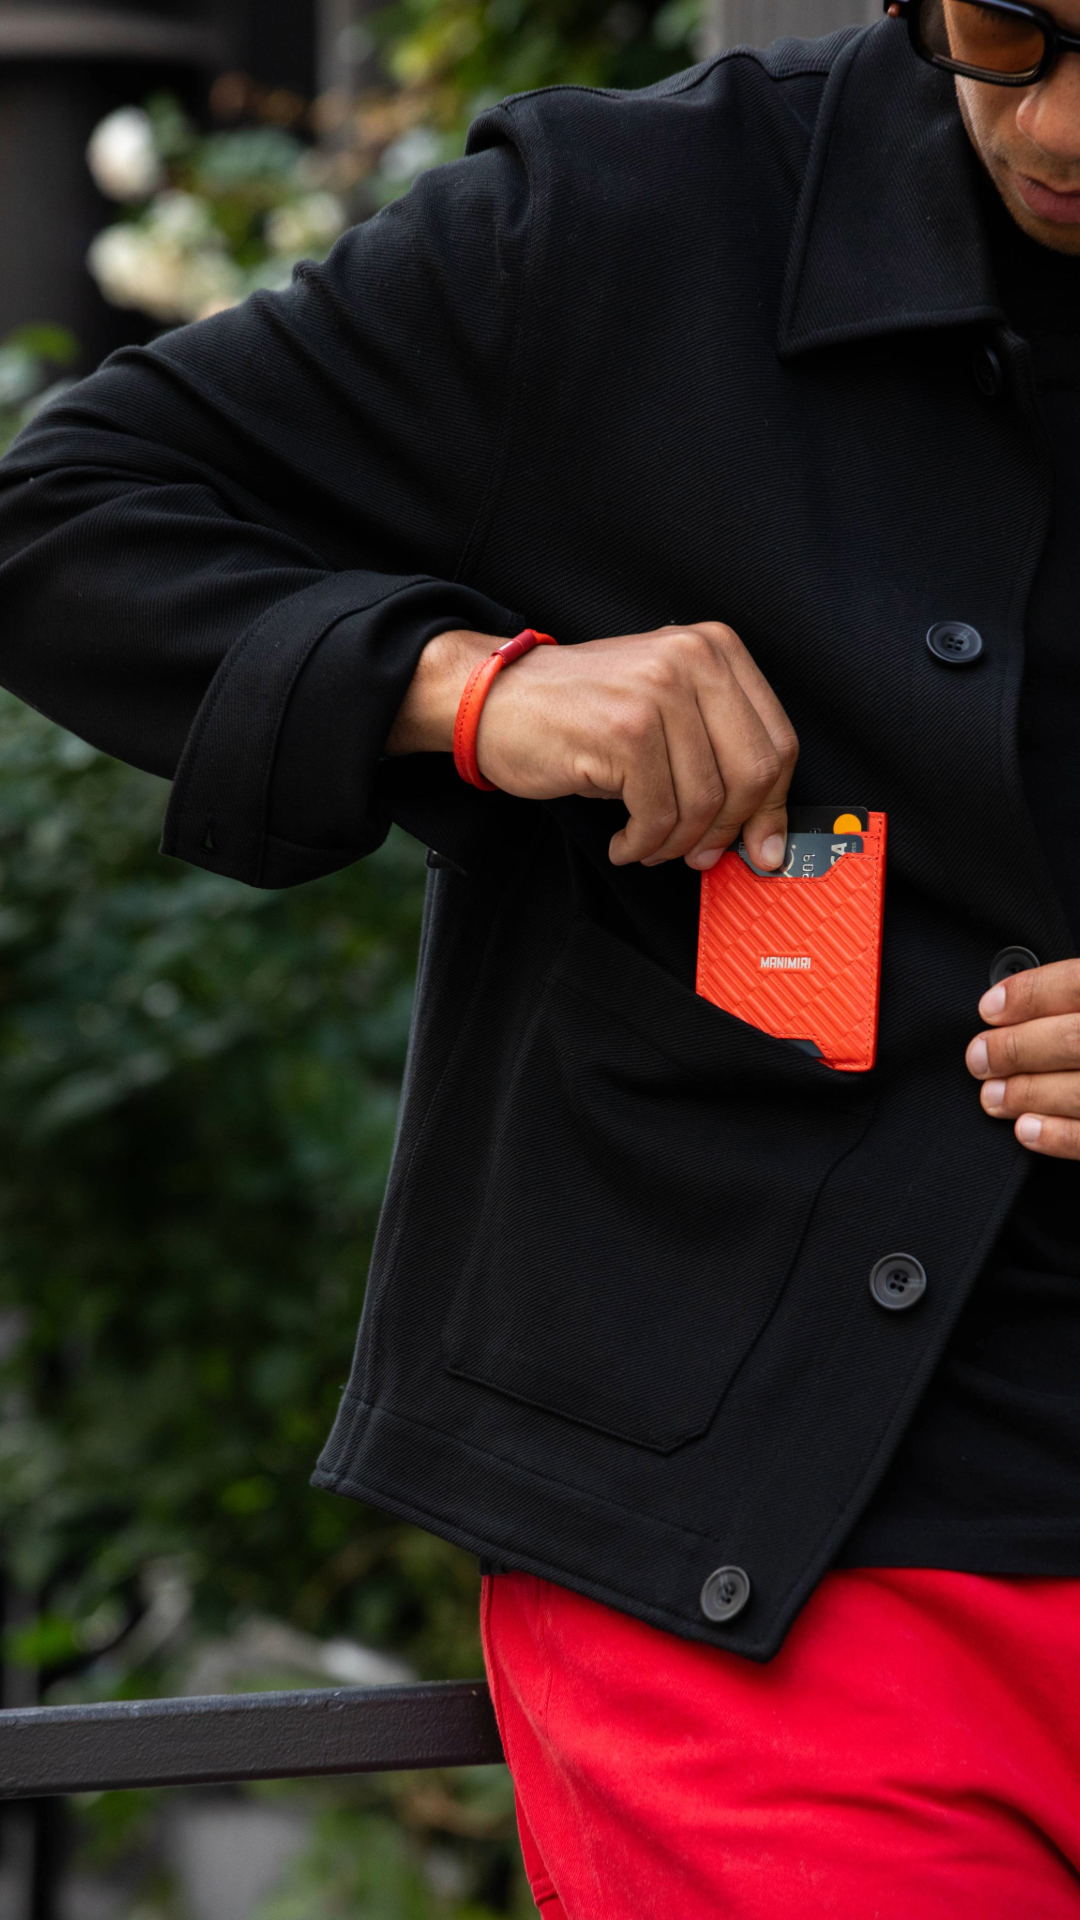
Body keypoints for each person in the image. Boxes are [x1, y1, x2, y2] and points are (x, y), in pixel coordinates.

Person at [0, 1, 1079, 1908]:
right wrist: (471, 689)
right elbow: (62, 514)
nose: (1065, 118)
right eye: (1010, 26)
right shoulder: (629, 219)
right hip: (760, 1562)